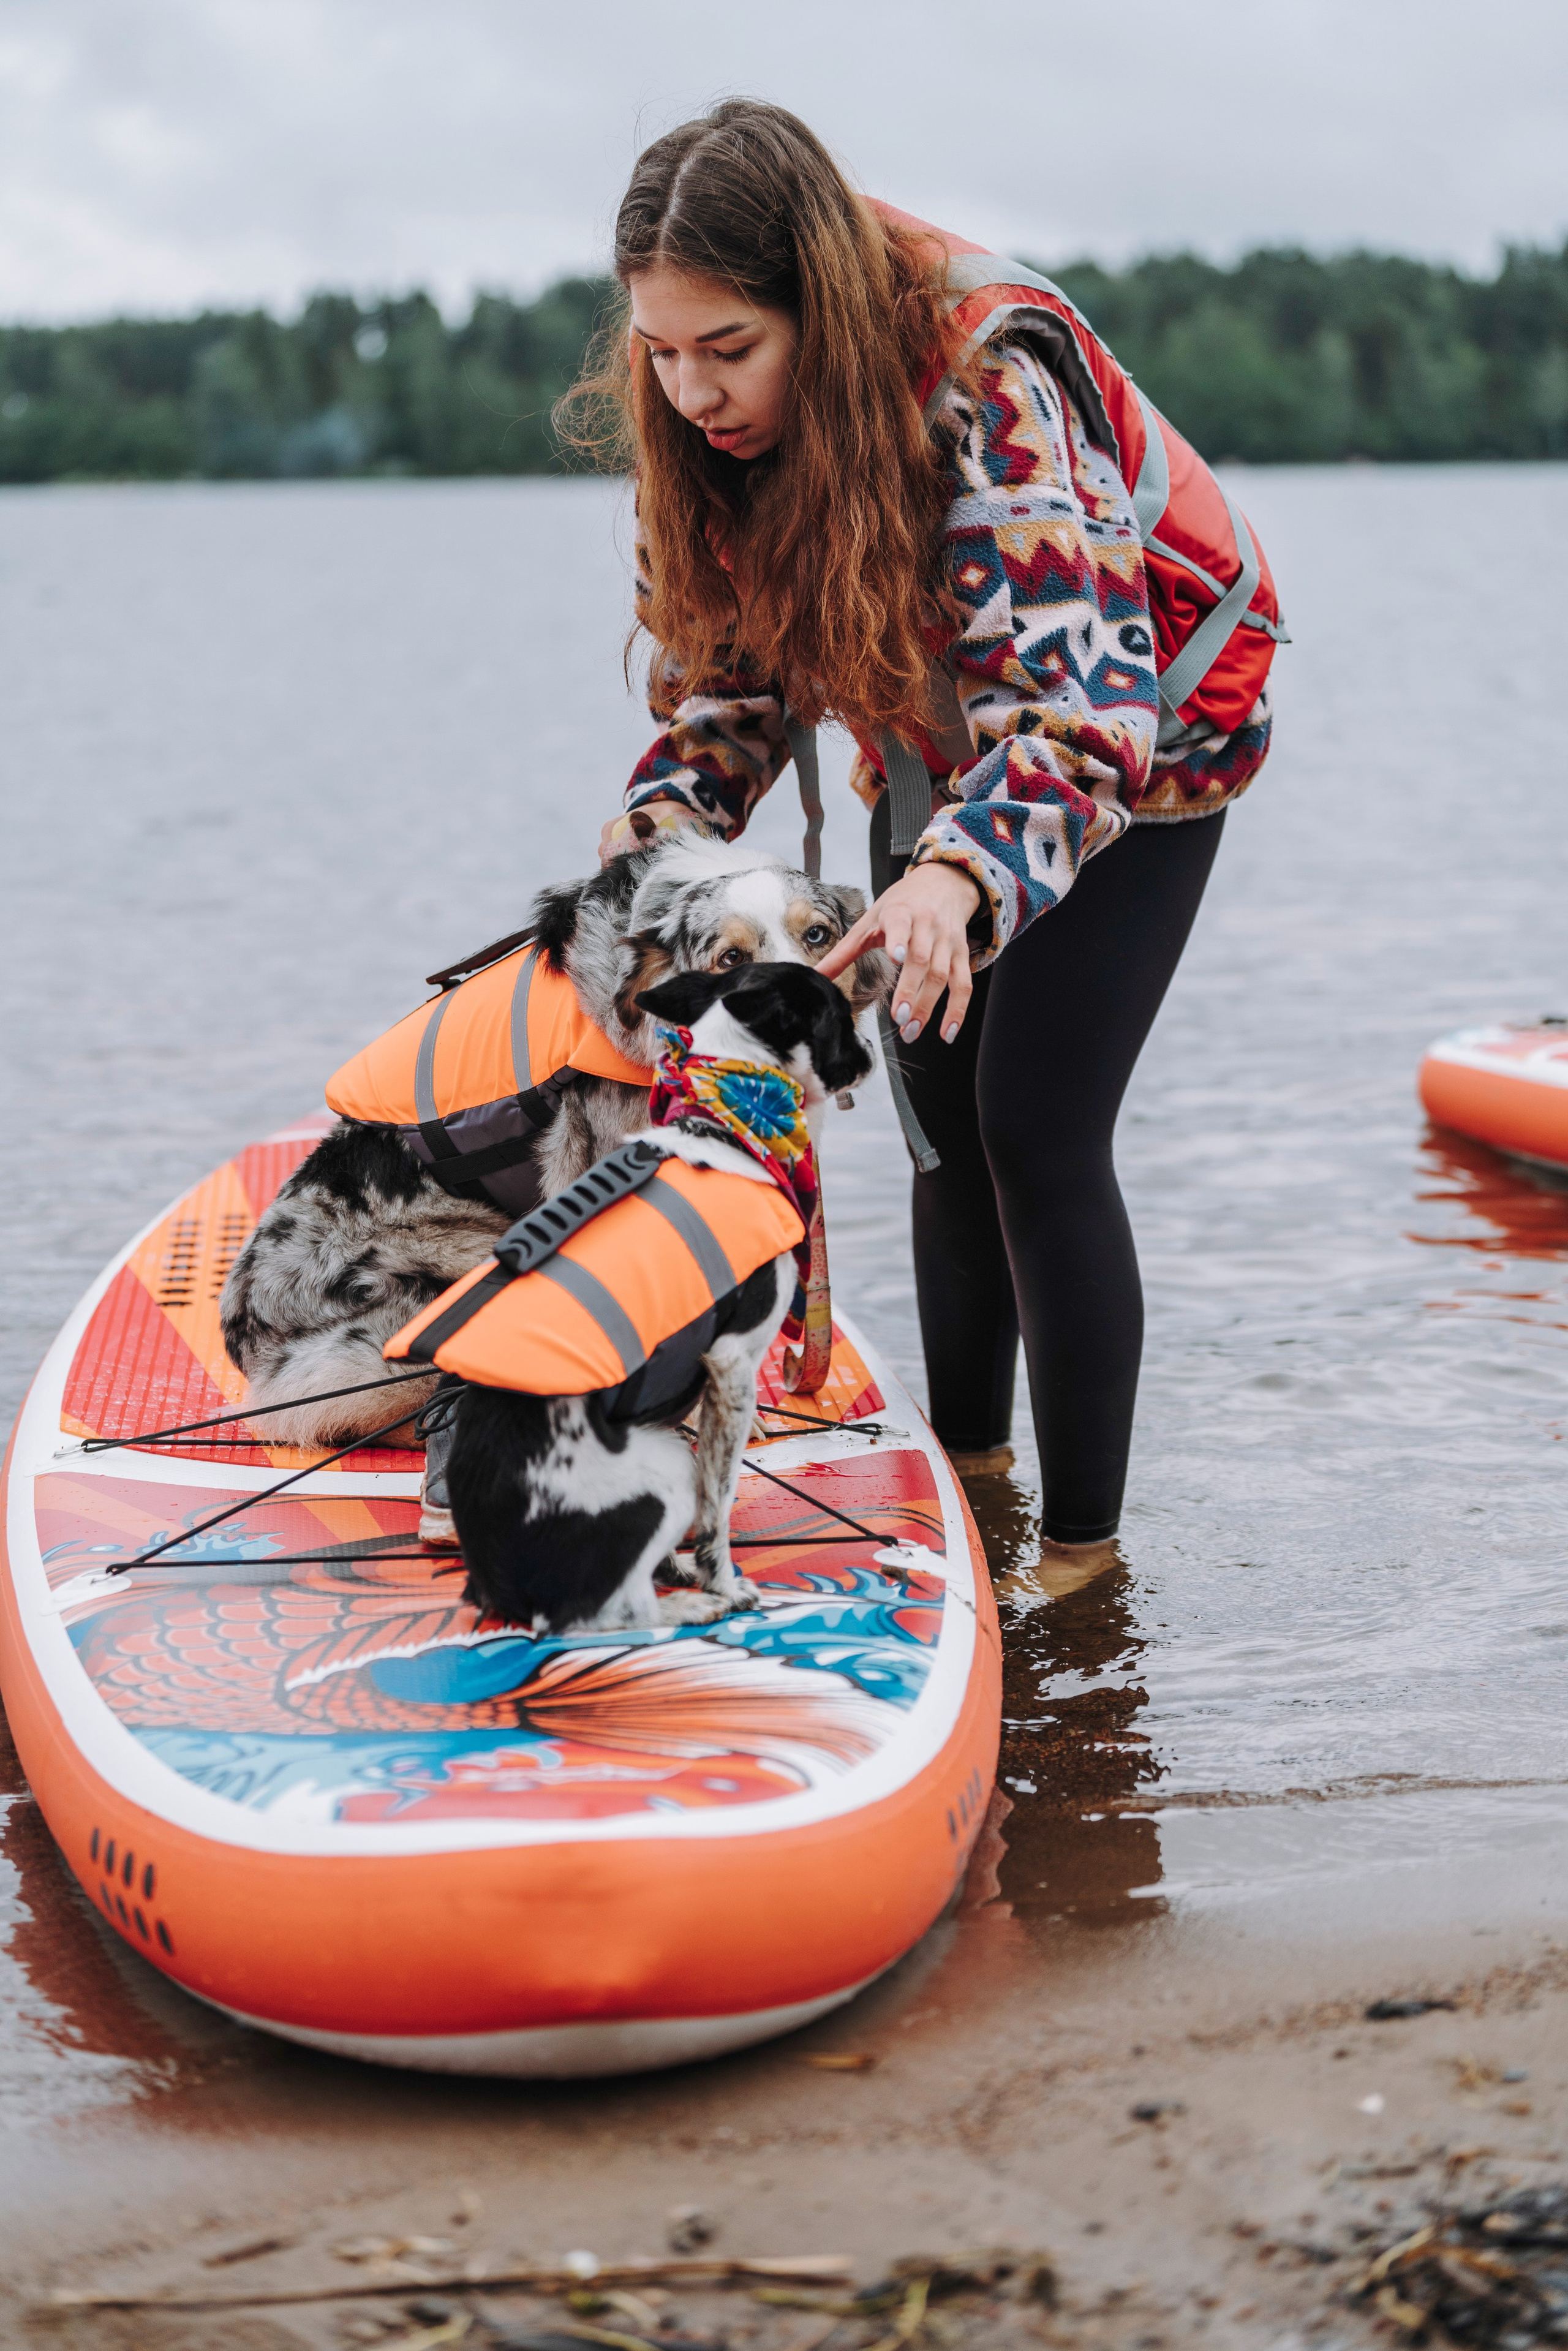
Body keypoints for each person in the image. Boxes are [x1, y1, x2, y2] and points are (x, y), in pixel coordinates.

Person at [573, 99, 1277, 1569]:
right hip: (940, 737)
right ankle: (968, 1485)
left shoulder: (987, 379)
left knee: (1033, 1125)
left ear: (815, 313)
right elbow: (728, 689)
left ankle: (1078, 1566)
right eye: (661, 349)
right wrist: (642, 864)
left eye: (727, 349)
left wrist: (956, 879)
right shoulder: (702, 420)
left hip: (1137, 741)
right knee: (939, 1124)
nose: (691, 391)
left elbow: (1079, 719)